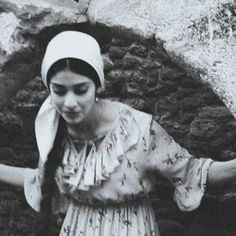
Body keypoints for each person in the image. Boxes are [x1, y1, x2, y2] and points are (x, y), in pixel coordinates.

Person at [0, 30, 236, 236]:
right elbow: (38, 179)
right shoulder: (52, 130)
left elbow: (191, 172)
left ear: (97, 86)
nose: (69, 102)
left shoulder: (138, 130)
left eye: (80, 90)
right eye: (59, 91)